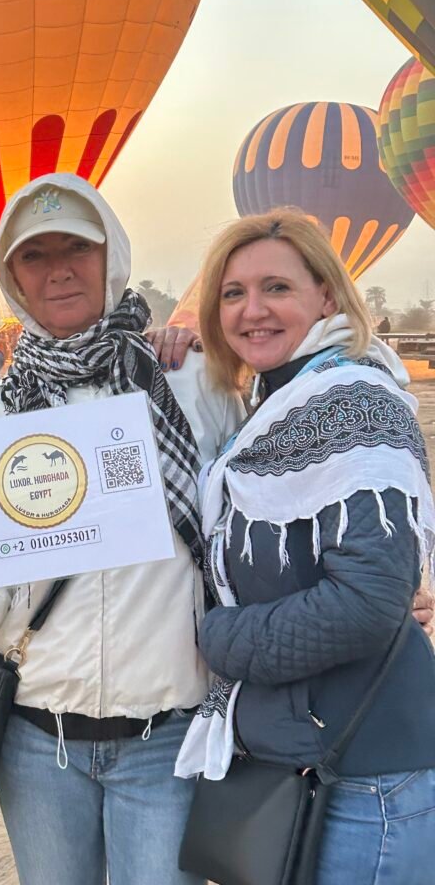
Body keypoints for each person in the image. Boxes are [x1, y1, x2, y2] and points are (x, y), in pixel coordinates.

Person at [0, 172, 240, 885]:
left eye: (77, 248)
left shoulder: (193, 382)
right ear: (12, 277)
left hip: (167, 739)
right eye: (34, 255)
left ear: (111, 255)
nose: (58, 270)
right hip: (38, 745)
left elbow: (258, 523)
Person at [174, 209, 435, 885]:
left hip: (366, 780)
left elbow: (366, 602)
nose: (252, 310)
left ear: (326, 295)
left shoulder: (353, 403)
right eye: (233, 293)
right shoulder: (274, 406)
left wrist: (219, 638)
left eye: (277, 288)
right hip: (311, 760)